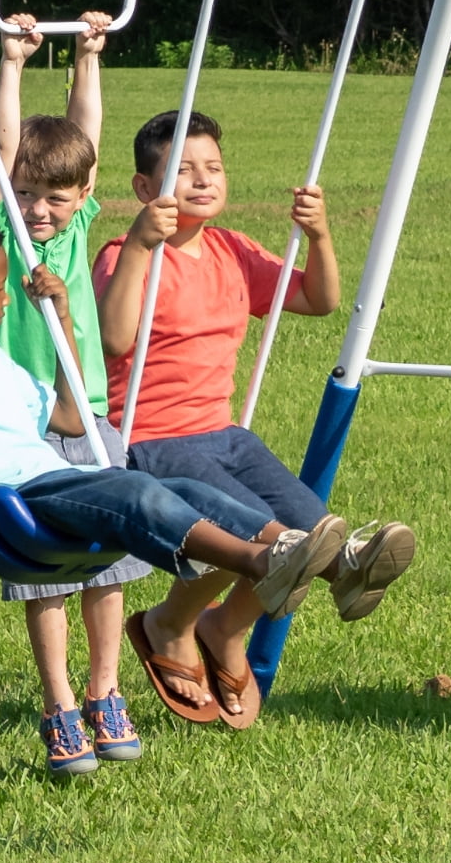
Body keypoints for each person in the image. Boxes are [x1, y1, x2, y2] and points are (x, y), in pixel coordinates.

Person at [0, 204, 347, 774]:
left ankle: (289, 547)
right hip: (3, 506)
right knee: (130, 491)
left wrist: (64, 320)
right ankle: (264, 561)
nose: (7, 300)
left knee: (170, 486)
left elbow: (72, 420)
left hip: (55, 481)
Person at [93, 110, 417, 727]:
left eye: (213, 167)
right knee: (273, 541)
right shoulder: (125, 254)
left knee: (311, 527)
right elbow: (113, 339)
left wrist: (319, 235)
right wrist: (138, 243)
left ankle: (240, 619)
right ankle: (175, 621)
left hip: (226, 434)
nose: (202, 180)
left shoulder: (232, 250)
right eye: (182, 170)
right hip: (154, 437)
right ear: (143, 189)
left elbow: (317, 301)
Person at [0, 9, 151, 766]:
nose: (40, 210)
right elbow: (5, 148)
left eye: (56, 197)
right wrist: (12, 62)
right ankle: (58, 705)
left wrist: (87, 56)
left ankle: (106, 690)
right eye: (28, 196)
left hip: (89, 419)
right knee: (43, 570)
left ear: (84, 195)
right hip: (21, 429)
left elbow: (84, 135)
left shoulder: (77, 227)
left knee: (107, 562)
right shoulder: (2, 227)